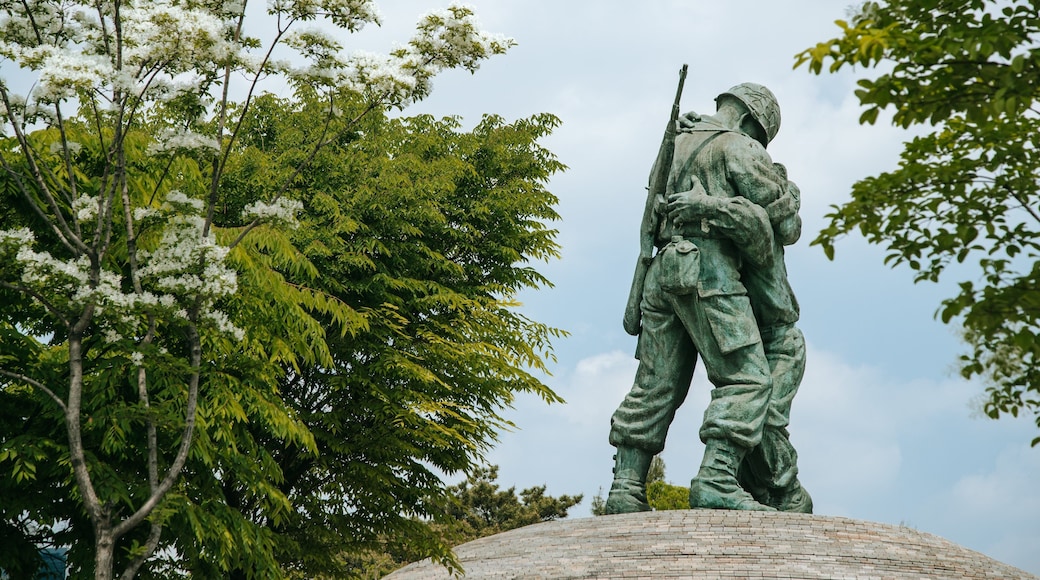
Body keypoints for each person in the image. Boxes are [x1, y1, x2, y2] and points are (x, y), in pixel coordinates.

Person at [605, 83, 789, 514]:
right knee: (749, 380)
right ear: (750, 122)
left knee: (655, 385)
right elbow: (785, 223)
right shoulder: (739, 147)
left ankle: (626, 487)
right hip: (710, 273)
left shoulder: (674, 142)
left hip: (661, 274)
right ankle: (718, 479)